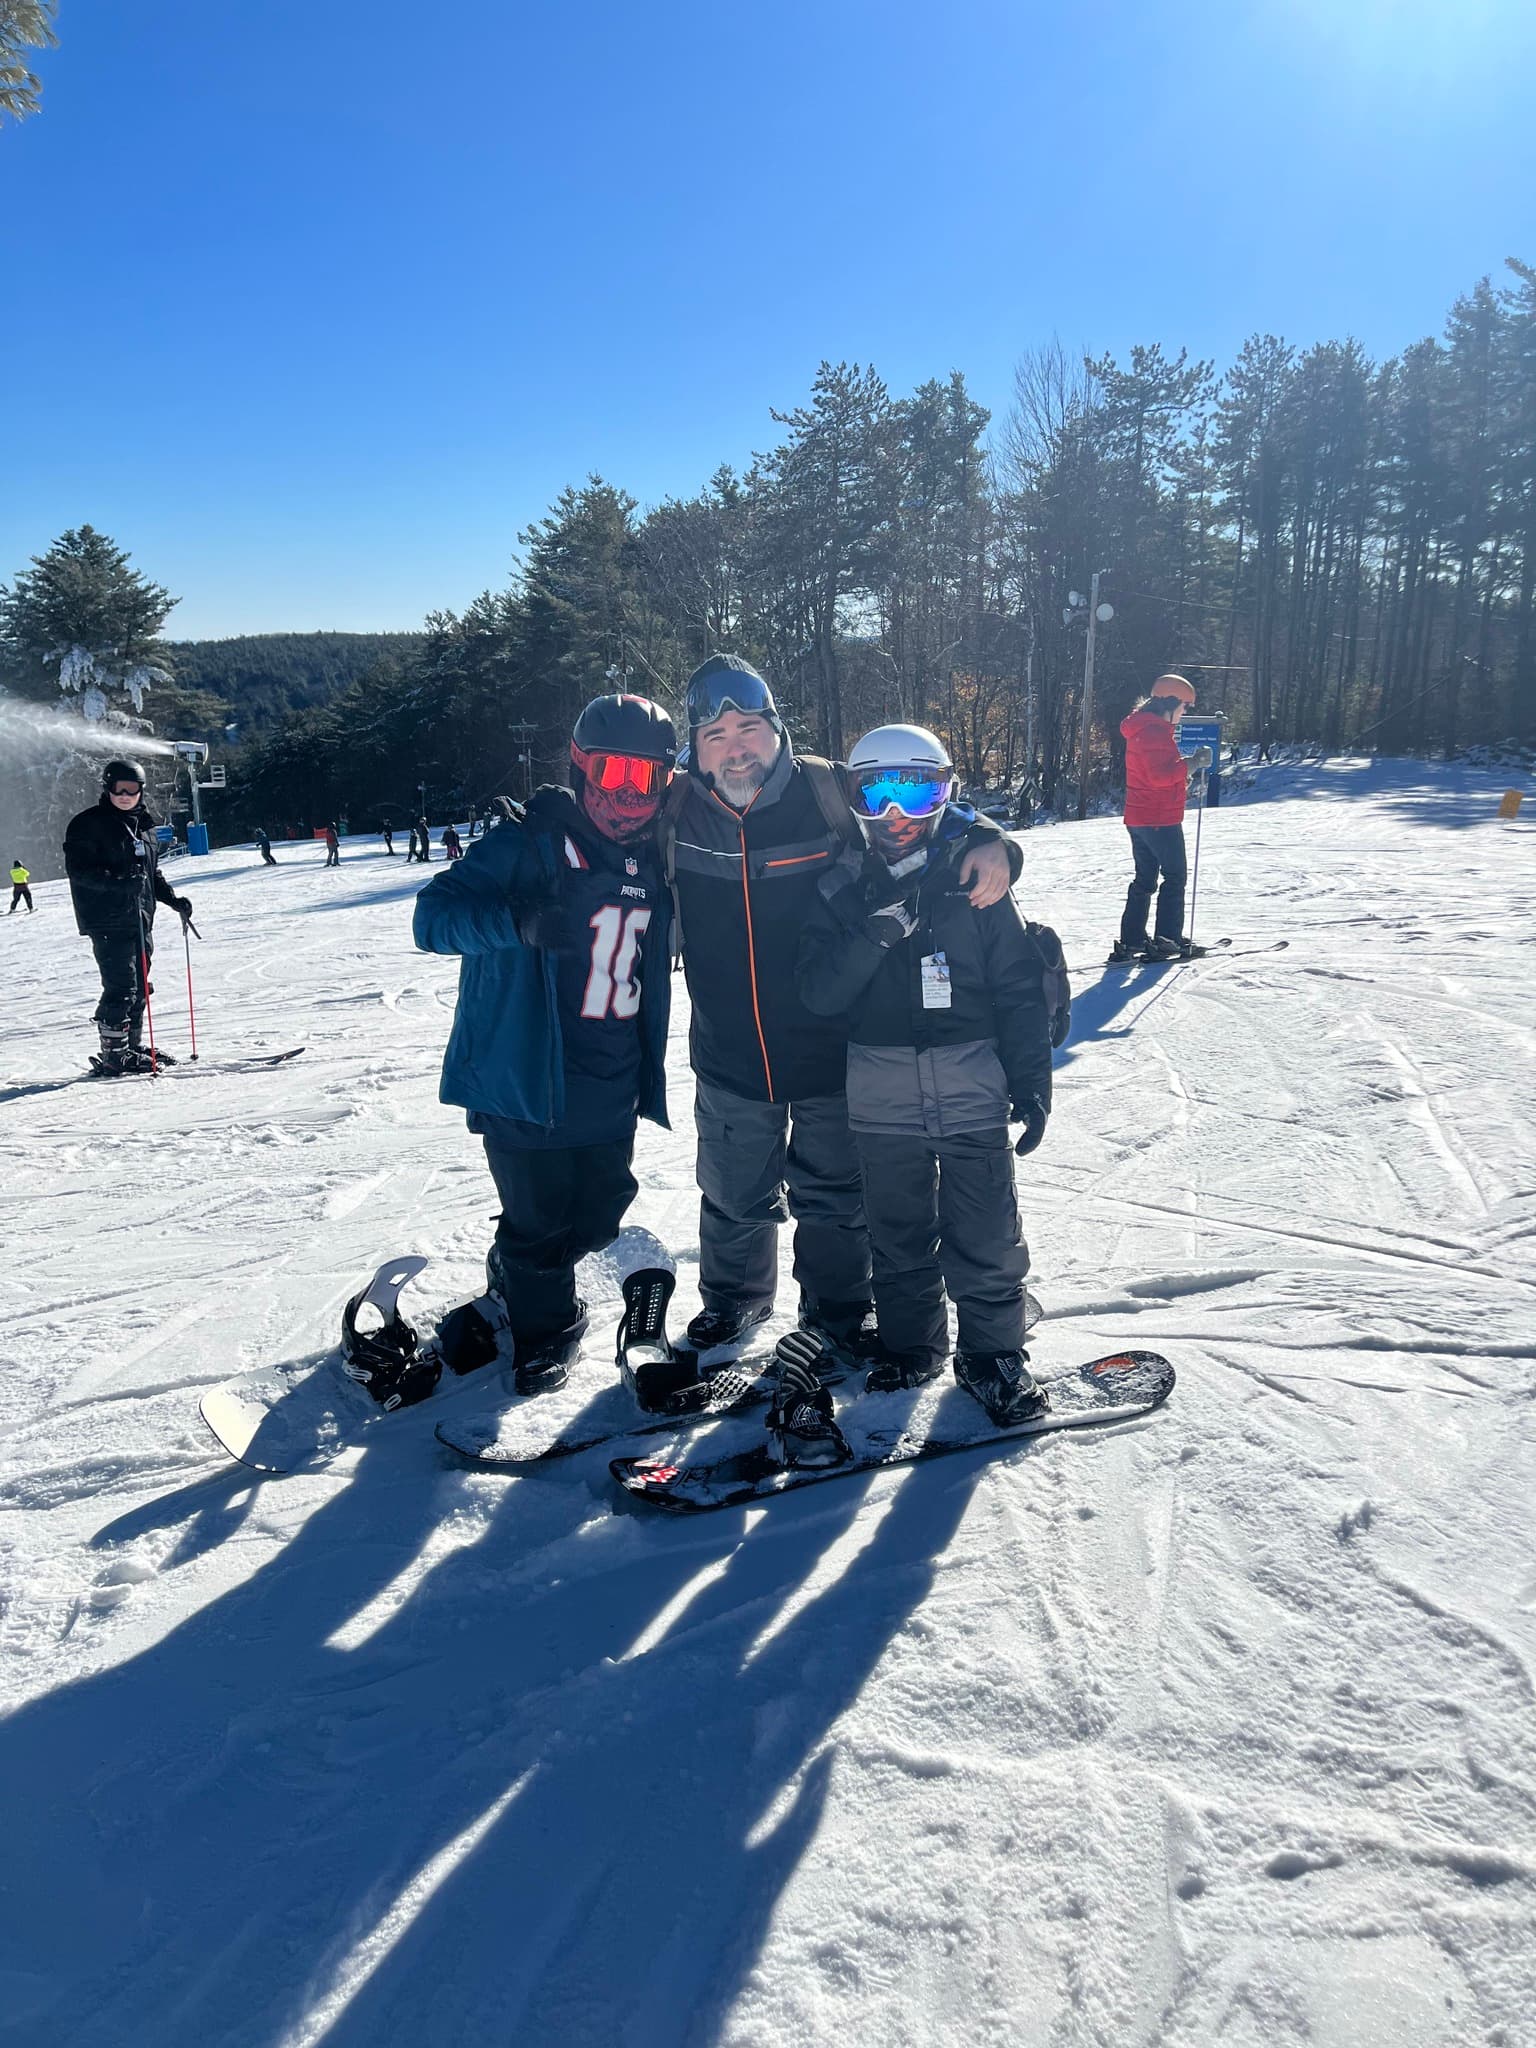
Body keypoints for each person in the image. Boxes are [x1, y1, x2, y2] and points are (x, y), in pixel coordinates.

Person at [659, 652, 1021, 1365]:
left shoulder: (826, 792)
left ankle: (837, 1314)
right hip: (729, 1050)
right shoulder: (675, 813)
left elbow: (923, 822)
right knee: (732, 1194)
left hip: (834, 1043)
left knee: (833, 1200)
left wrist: (992, 840)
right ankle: (736, 1301)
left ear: (778, 731)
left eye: (751, 728)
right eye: (717, 735)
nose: (736, 748)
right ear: (694, 751)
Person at [778, 724, 1056, 1463]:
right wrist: (872, 936)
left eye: (918, 791)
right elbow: (816, 992)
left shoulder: (977, 883)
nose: (898, 812)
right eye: (879, 792)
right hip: (880, 1093)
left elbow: (1021, 990)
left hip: (970, 1085)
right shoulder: (841, 889)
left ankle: (993, 1354)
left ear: (946, 794)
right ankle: (911, 1343)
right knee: (897, 1234)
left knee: (986, 1232)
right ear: (858, 802)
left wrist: (1031, 1082)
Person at [411, 695, 677, 1398]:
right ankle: (542, 1332)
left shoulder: (659, 853)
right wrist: (515, 921)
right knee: (538, 1223)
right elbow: (432, 918)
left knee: (597, 1215)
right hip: (525, 1077)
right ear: (583, 770)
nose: (627, 795)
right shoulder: (526, 845)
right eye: (612, 773)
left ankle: (515, 1279)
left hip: (611, 1079)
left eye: (646, 778)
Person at [63, 759, 192, 1074]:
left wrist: (173, 899)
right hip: (107, 919)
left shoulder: (144, 827)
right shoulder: (88, 824)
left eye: (131, 788)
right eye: (118, 788)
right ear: (107, 788)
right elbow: (79, 871)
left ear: (140, 790)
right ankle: (114, 1055)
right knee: (121, 987)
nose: (124, 794)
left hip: (139, 919)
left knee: (139, 984)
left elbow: (151, 874)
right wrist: (118, 882)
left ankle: (130, 1047)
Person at [1110, 673, 1213, 963]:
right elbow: (1159, 776)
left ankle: (1132, 939)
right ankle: (1167, 938)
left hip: (1140, 816)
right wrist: (1192, 763)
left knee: (1144, 878)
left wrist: (1183, 777)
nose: (1185, 712)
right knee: (1175, 875)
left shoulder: (1144, 729)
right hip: (1159, 819)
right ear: (1170, 703)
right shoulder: (1154, 732)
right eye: (1185, 707)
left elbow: (1154, 775)